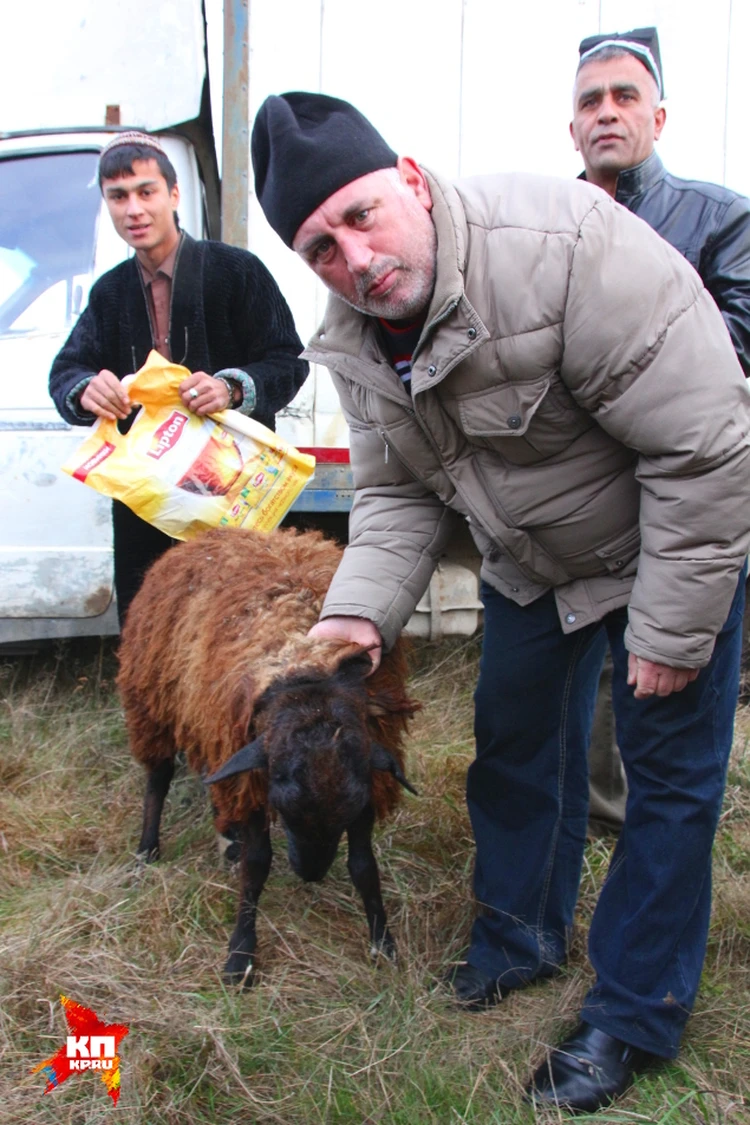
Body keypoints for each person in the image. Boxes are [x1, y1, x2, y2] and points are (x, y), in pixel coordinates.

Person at [249, 91, 750, 1113]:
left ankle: (632, 1014)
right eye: (319, 248)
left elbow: (704, 442)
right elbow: (394, 491)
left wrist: (667, 629)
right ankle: (517, 937)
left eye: (361, 216)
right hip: (531, 562)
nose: (355, 259)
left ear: (415, 181)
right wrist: (357, 613)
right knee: (515, 747)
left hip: (666, 543)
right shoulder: (353, 336)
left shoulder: (562, 247)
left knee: (665, 782)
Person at [570, 27, 750, 834]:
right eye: (589, 102)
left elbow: (737, 346)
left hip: (682, 498)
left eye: (624, 96)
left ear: (660, 116)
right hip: (576, 503)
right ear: (571, 126)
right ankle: (599, 816)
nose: (606, 113)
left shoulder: (720, 219)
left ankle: (652, 823)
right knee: (585, 675)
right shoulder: (551, 222)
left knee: (664, 672)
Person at [49, 132, 308, 624]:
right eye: (118, 197)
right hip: (146, 501)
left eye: (146, 192)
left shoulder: (238, 271)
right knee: (151, 630)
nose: (134, 209)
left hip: (234, 488)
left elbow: (289, 362)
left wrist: (230, 388)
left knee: (241, 626)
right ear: (107, 205)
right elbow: (66, 373)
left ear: (173, 194)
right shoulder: (110, 292)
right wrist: (86, 390)